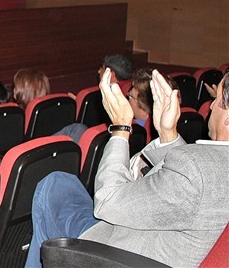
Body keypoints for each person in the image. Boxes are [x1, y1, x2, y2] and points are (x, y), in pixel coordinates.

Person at [25, 69, 229, 268]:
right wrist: (168, 134)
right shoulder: (210, 168)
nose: (210, 107)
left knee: (52, 185)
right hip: (153, 241)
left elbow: (107, 202)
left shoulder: (196, 171)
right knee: (64, 183)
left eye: (217, 100)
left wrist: (120, 129)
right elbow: (192, 186)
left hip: (117, 254)